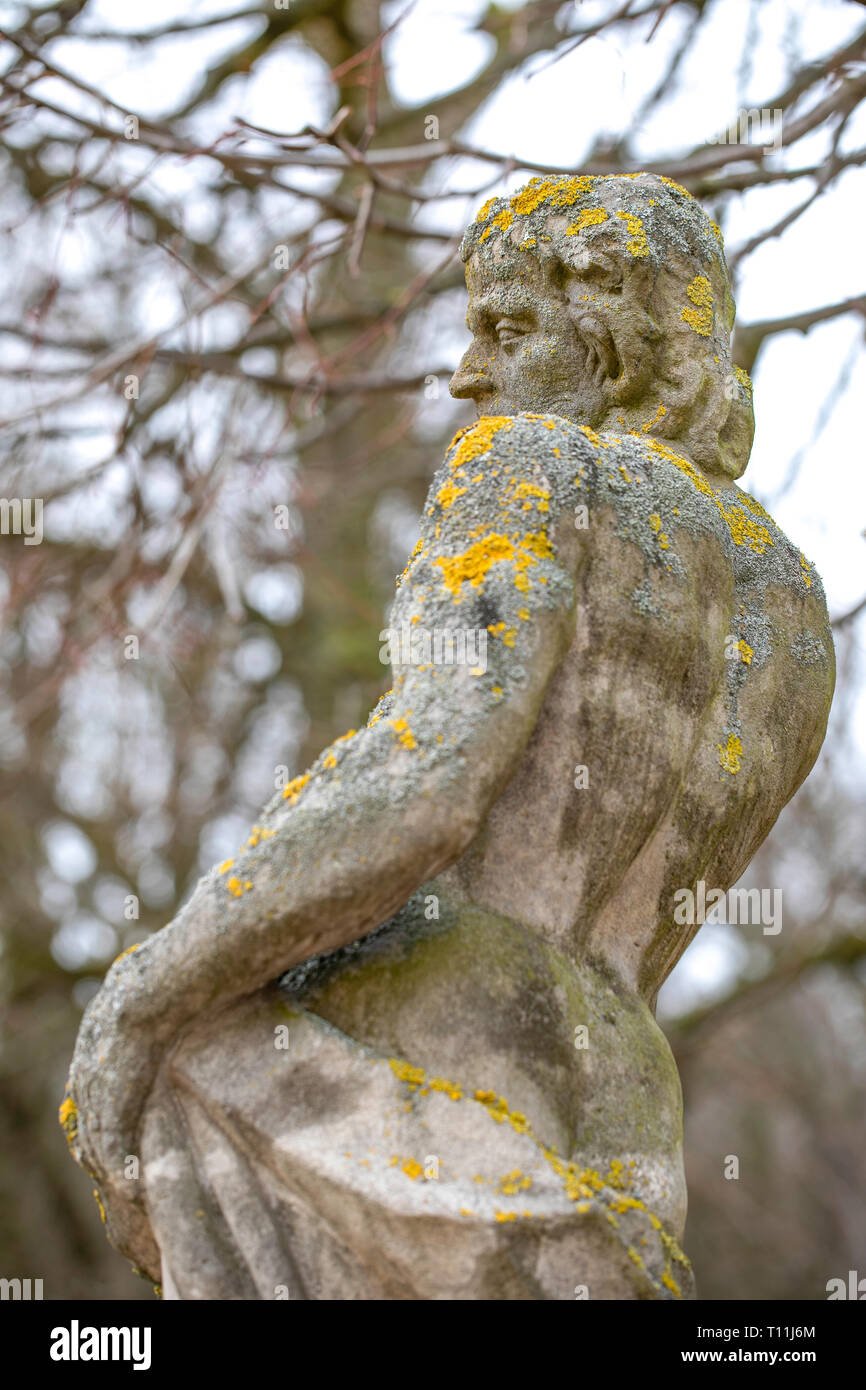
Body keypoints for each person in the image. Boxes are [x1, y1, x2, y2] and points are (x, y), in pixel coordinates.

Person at [64, 173, 834, 1299]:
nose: (468, 373)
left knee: (191, 1037)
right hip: (626, 1099)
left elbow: (426, 781)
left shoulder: (533, 470)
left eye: (506, 328)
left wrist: (150, 987)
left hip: (422, 1058)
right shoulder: (791, 605)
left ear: (611, 346)